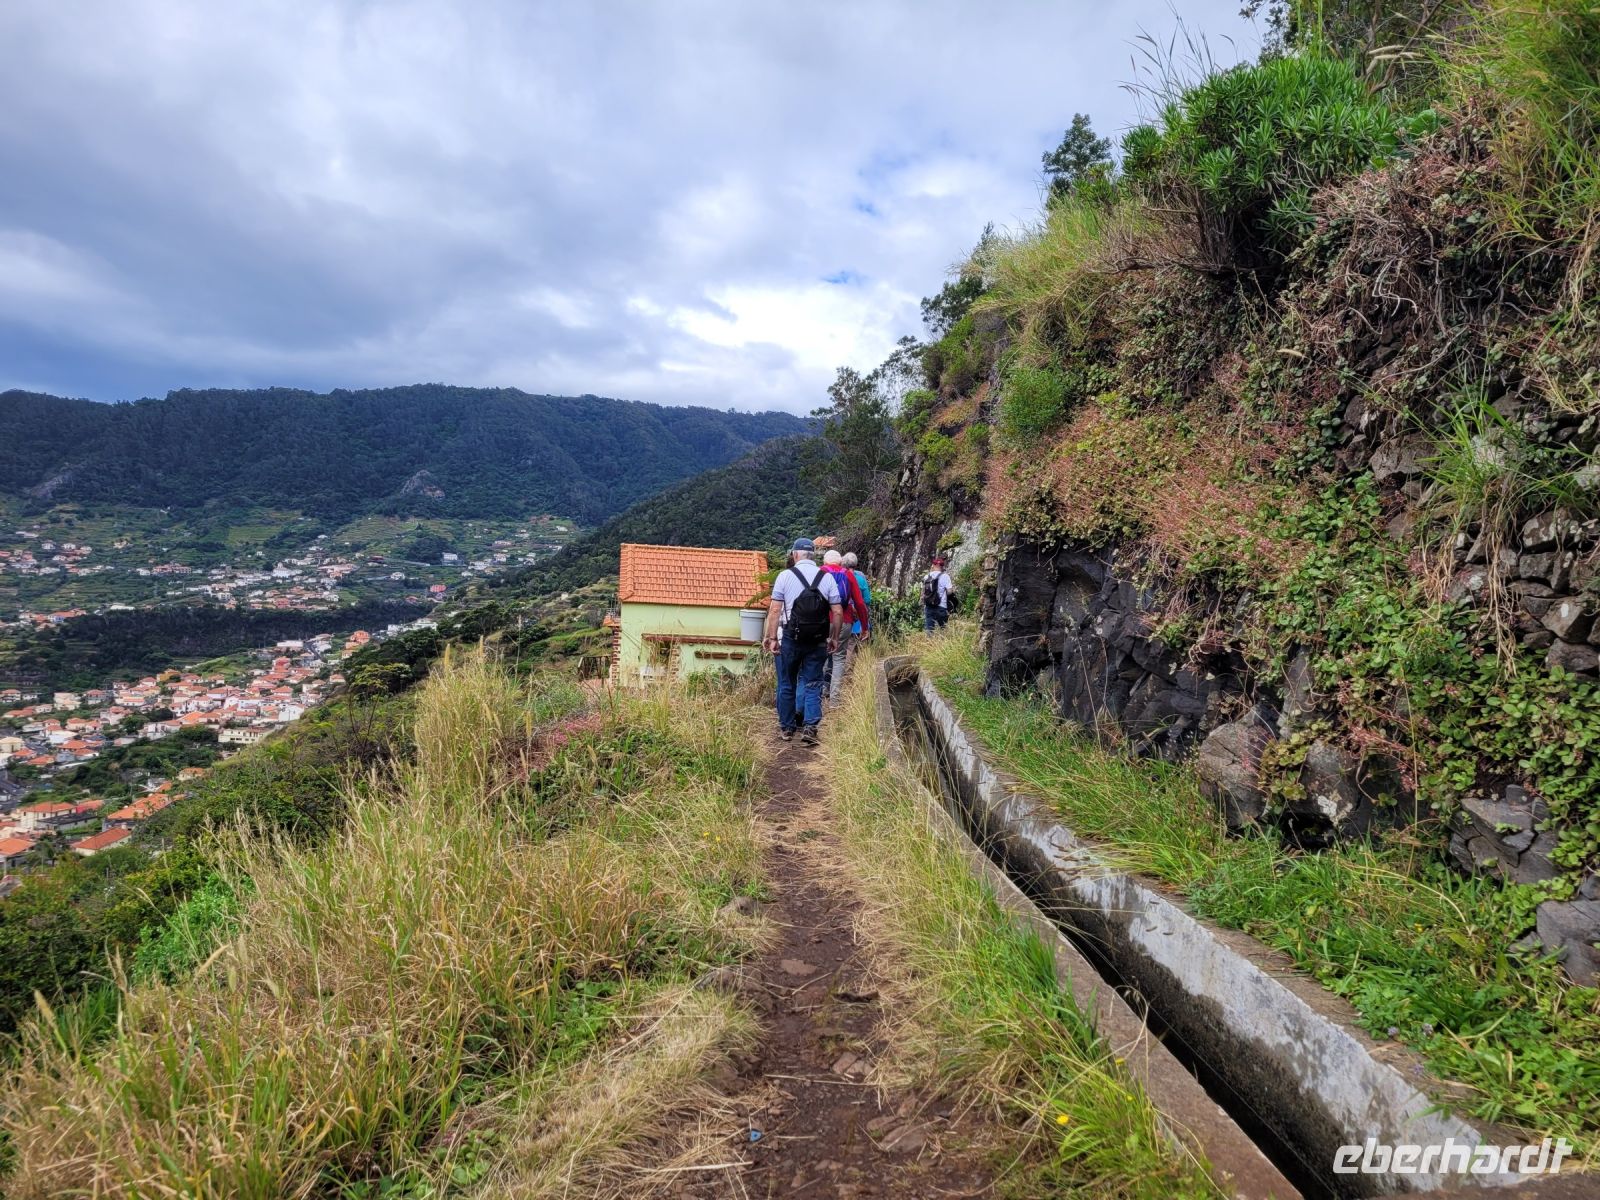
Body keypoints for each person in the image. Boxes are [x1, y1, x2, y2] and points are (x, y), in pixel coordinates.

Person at [763, 538, 844, 746]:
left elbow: (775, 610)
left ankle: (787, 728)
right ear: (813, 555)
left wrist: (772, 638)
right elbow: (837, 611)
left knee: (786, 682)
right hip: (817, 641)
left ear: (795, 554)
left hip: (790, 638)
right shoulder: (826, 578)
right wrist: (834, 638)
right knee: (813, 682)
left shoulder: (784, 576)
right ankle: (810, 727)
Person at [822, 550, 870, 702]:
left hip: (822, 621)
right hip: (845, 620)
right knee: (839, 658)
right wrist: (864, 626)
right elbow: (860, 603)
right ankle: (835, 700)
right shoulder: (848, 574)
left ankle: (821, 691)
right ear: (840, 562)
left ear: (825, 562)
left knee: (822, 656)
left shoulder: (820, 573)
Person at [921, 554, 955, 633]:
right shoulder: (945, 576)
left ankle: (929, 644)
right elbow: (950, 592)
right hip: (941, 607)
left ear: (933, 565)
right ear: (942, 566)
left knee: (929, 631)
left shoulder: (926, 577)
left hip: (929, 606)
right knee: (943, 630)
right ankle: (942, 644)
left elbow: (923, 591)